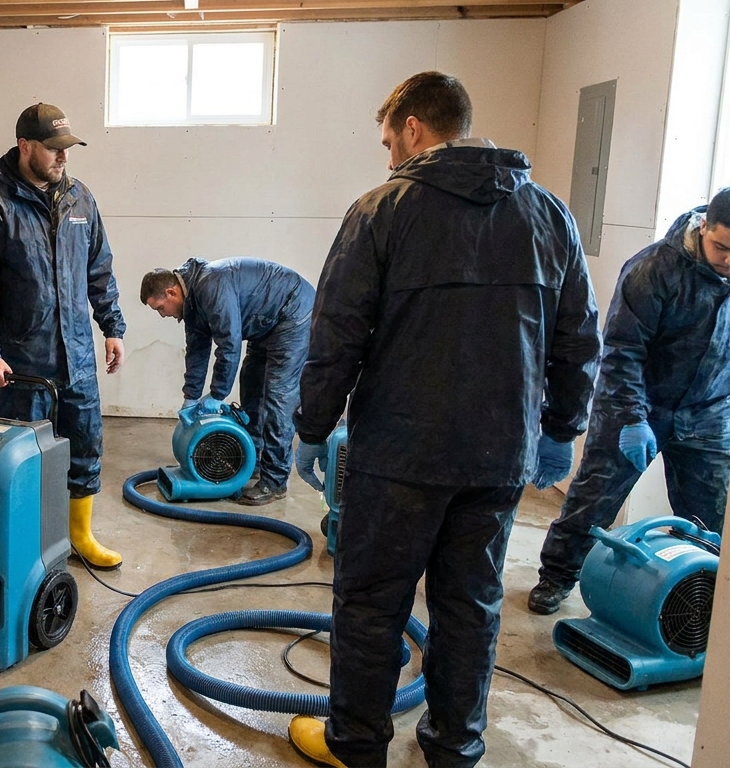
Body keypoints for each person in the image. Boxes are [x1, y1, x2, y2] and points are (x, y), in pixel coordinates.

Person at [288, 72, 601, 768]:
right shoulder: (548, 213)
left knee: (371, 606)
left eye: (388, 140)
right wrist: (559, 428)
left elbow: (338, 332)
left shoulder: (382, 210)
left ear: (413, 125)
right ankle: (455, 749)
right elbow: (579, 337)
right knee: (471, 606)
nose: (388, 155)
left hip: (398, 456)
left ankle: (356, 747)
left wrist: (312, 425)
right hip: (498, 458)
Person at [528, 186, 730, 615]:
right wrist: (632, 416)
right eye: (722, 247)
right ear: (703, 225)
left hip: (709, 410)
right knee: (595, 498)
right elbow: (621, 350)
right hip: (637, 404)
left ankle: (707, 596)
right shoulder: (655, 269)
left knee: (714, 515)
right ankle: (556, 576)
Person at [0, 102, 128, 570]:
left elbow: (100, 270)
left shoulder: (80, 200)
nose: (62, 158)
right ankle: (31, 545)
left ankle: (80, 536)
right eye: (53, 149)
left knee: (85, 446)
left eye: (67, 149)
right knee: (25, 458)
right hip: (21, 363)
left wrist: (111, 327)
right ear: (25, 146)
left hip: (77, 357)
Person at [140, 258, 315, 505]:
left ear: (172, 292)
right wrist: (190, 396)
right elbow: (197, 350)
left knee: (277, 399)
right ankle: (255, 460)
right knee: (251, 385)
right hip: (264, 324)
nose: (162, 315)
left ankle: (275, 482)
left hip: (293, 314)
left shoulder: (210, 285)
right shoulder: (191, 302)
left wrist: (217, 394)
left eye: (160, 307)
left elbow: (229, 343)